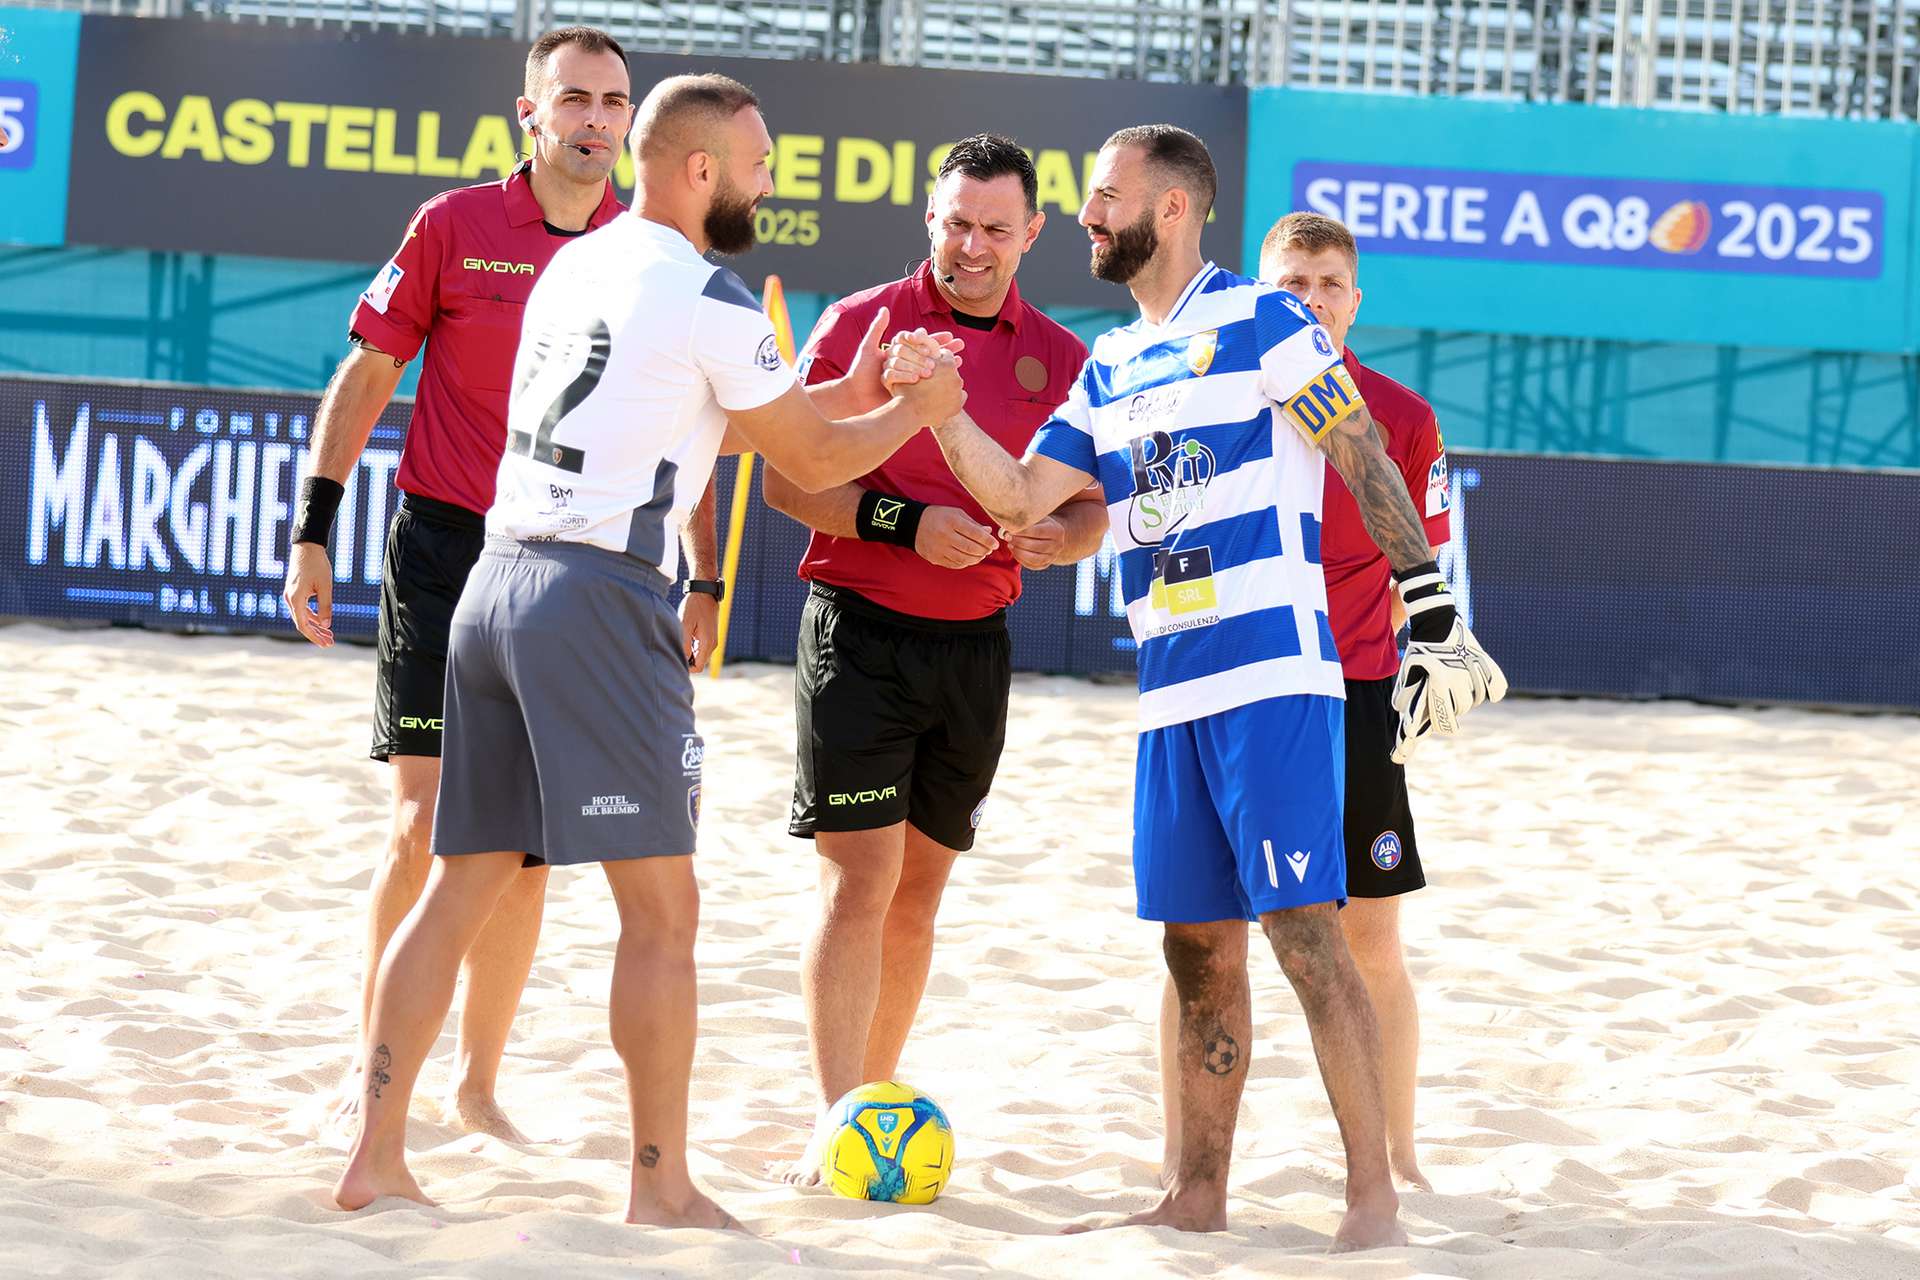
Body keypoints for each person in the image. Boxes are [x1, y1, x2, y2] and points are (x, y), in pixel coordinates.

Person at [330, 72, 967, 1226]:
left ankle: (374, 1153)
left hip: (497, 580)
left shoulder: (578, 265)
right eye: (759, 166)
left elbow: (719, 411)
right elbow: (813, 459)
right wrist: (915, 412)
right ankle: (661, 1184)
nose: (768, 185)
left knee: (462, 881)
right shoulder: (710, 295)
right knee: (664, 914)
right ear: (701, 169)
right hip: (600, 600)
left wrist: (856, 389)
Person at [892, 124, 1504, 1251]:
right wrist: (944, 414)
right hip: (1171, 687)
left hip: (1276, 675)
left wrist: (1428, 602)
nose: (1087, 215)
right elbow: (1023, 496)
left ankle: (1372, 1199)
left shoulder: (1267, 319)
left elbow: (1360, 450)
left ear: (1170, 209)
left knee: (1307, 936)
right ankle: (1196, 1194)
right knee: (1196, 948)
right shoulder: (1109, 364)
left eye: (1105, 195)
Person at [281, 26, 637, 1140]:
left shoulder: (645, 252)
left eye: (613, 102)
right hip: (443, 547)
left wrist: (694, 578)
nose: (593, 119)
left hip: (566, 567)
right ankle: (373, 1066)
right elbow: (370, 371)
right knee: (422, 820)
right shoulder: (453, 225)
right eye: (572, 98)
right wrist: (312, 532)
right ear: (529, 113)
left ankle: (478, 1086)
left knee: (524, 849)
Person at [759, 134, 1107, 1184]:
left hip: (976, 650)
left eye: (996, 227)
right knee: (858, 883)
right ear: (929, 218)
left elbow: (1092, 509)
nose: (973, 245)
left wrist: (1061, 540)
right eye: (957, 223)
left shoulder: (1062, 356)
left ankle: (873, 1102)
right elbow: (785, 480)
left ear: (1031, 233)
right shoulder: (863, 324)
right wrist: (901, 523)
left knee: (919, 893)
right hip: (859, 628)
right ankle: (837, 1122)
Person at [1156, 211, 1453, 1193]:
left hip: (1356, 692)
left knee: (1370, 940)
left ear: (1355, 302)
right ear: (1261, 296)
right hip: (1238, 689)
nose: (1313, 300)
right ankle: (1181, 1159)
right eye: (1293, 283)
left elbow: (1421, 560)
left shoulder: (1401, 417)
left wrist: (1408, 644)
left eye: (1330, 284)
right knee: (1204, 940)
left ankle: (1398, 1156)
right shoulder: (1214, 395)